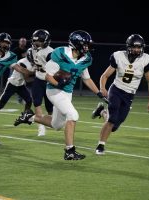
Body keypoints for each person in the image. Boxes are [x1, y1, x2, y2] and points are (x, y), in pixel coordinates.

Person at [14, 30, 108, 160]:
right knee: (73, 115)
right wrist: (59, 84)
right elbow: (48, 76)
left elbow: (86, 78)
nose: (87, 47)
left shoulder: (86, 58)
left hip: (67, 93)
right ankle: (69, 150)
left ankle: (29, 117)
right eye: (85, 44)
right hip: (54, 91)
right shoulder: (61, 53)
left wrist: (98, 93)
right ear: (76, 44)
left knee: (57, 125)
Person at [92, 34, 149, 155]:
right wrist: (102, 87)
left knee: (114, 126)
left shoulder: (146, 60)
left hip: (129, 95)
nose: (137, 50)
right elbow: (105, 75)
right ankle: (100, 145)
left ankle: (102, 112)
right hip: (116, 90)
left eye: (139, 47)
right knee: (112, 118)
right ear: (128, 47)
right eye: (134, 47)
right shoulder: (119, 56)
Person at [14, 29, 54, 137]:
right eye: (35, 41)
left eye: (39, 41)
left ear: (46, 41)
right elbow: (33, 63)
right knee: (37, 103)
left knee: (50, 109)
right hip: (38, 79)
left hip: (49, 80)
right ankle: (41, 127)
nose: (36, 44)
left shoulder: (51, 52)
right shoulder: (31, 50)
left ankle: (43, 121)